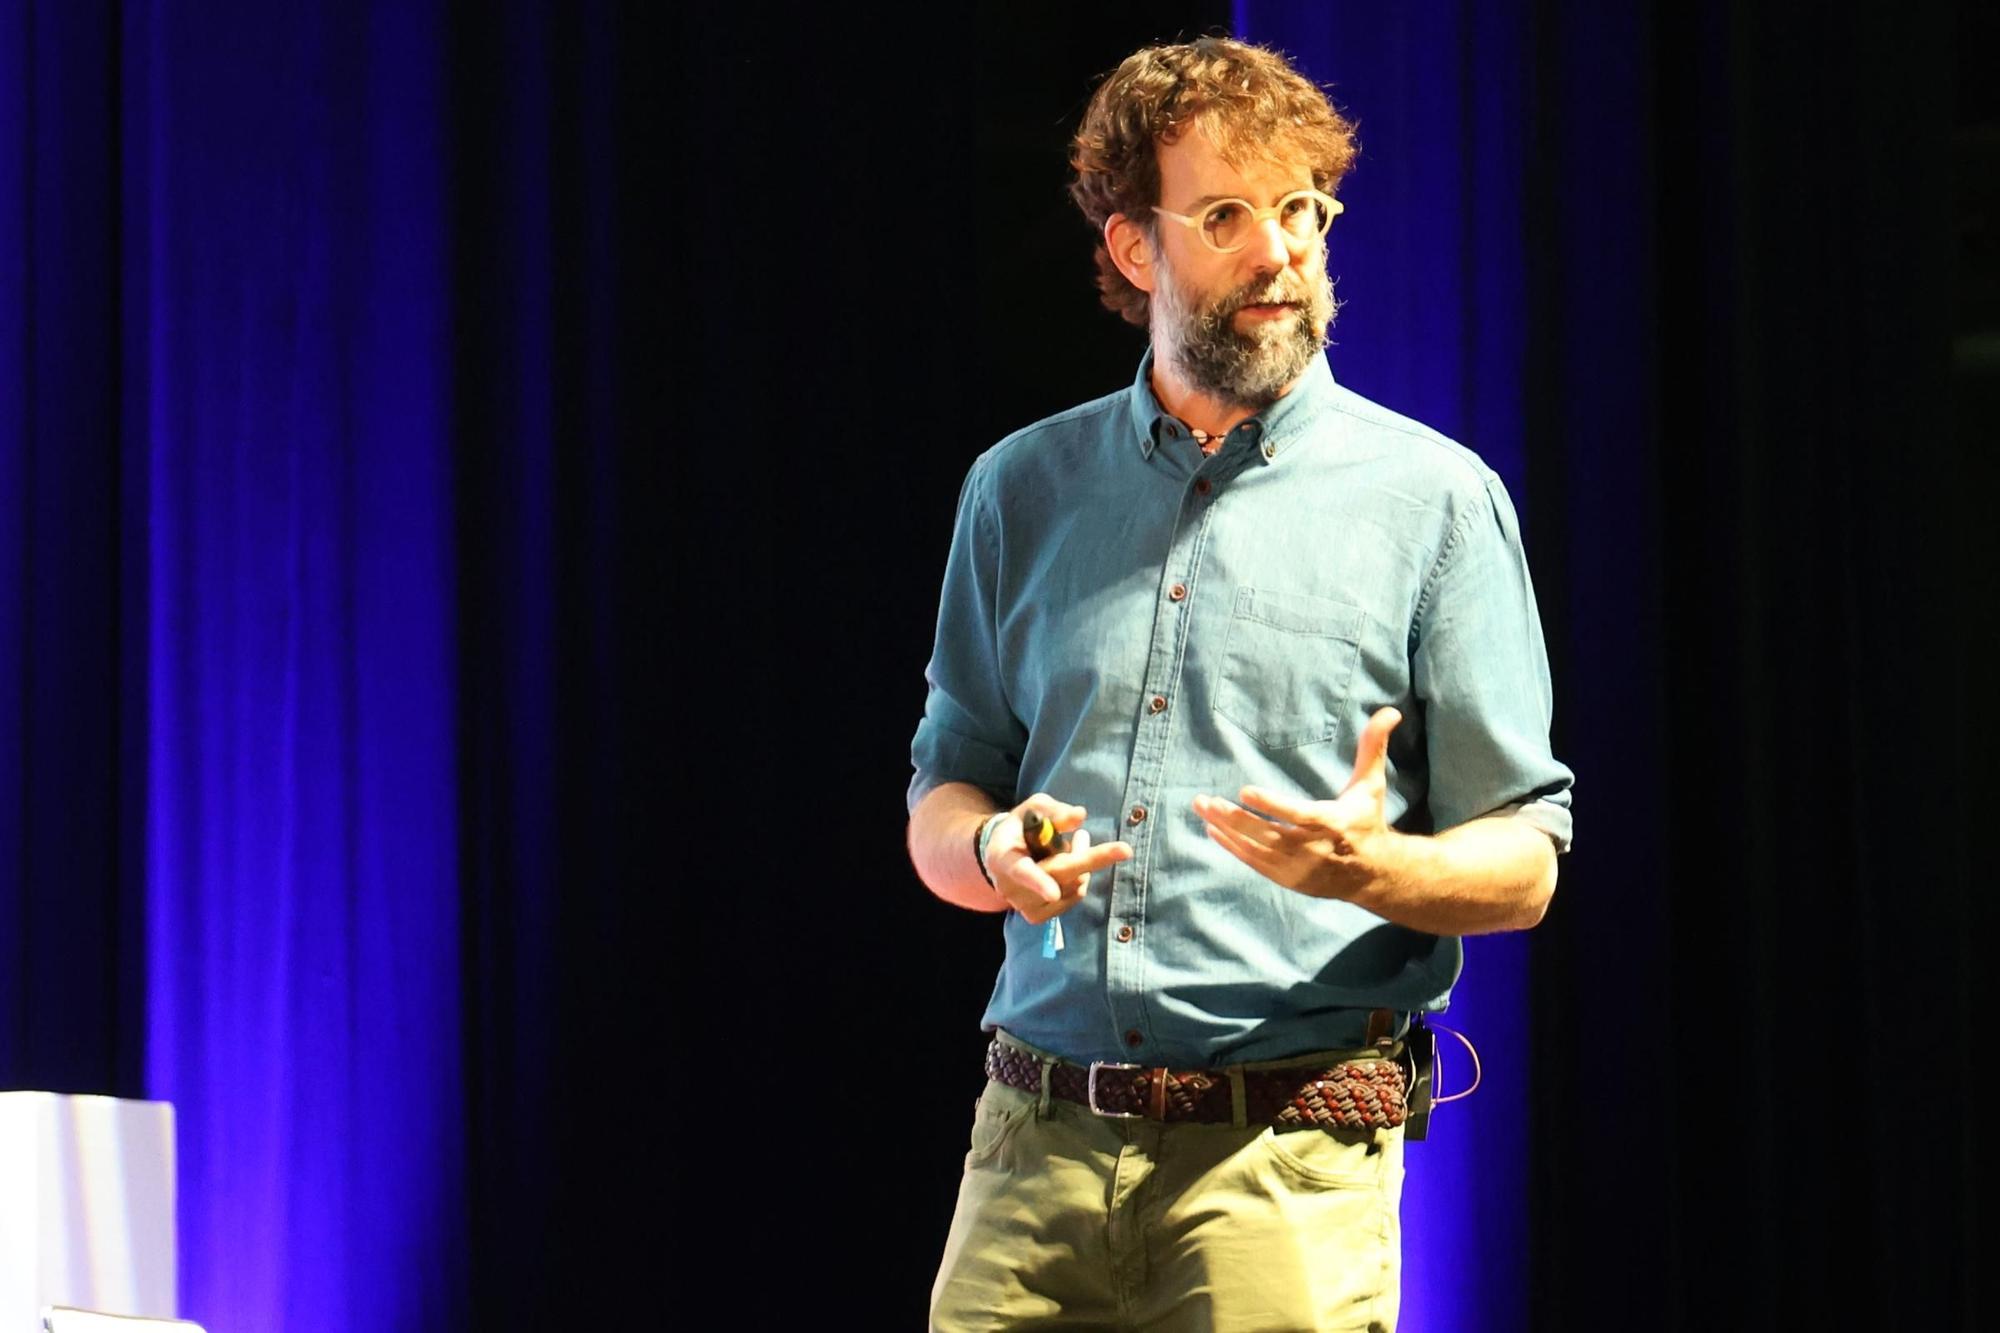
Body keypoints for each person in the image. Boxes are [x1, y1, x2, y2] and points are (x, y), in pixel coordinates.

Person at [906, 35, 1573, 1332]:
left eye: (1300, 211)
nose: (1280, 254)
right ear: (1133, 249)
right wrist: (991, 846)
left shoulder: (1435, 503)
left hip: (1283, 1166)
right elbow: (945, 790)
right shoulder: (1019, 491)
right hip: (1032, 1148)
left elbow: (1528, 859)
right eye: (1225, 215)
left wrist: (1369, 869)